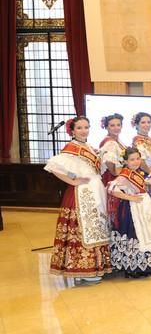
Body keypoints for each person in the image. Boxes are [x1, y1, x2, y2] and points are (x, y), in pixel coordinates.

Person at [44, 117, 112, 283]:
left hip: (96, 189)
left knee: (96, 225)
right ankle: (81, 268)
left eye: (86, 127)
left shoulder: (87, 146)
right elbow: (55, 167)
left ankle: (96, 265)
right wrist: (74, 180)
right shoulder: (71, 147)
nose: (84, 130)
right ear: (72, 131)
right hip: (82, 193)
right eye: (80, 128)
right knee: (82, 227)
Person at [107, 147, 151, 278]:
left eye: (138, 159)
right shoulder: (124, 174)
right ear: (126, 161)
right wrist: (130, 197)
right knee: (134, 234)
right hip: (131, 208)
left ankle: (143, 264)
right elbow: (111, 188)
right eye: (132, 159)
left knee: (146, 233)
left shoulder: (138, 173)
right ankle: (131, 267)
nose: (136, 162)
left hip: (144, 206)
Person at [99, 113, 126, 185]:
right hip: (112, 178)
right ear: (107, 127)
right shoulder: (110, 143)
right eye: (112, 125)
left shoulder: (117, 140)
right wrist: (116, 173)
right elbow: (108, 161)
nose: (116, 128)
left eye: (118, 125)